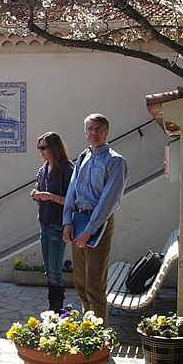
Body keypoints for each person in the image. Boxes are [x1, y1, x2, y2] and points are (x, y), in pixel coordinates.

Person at [63, 113, 128, 323]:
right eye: (90, 129)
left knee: (95, 284)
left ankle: (99, 336)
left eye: (99, 129)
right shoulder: (83, 157)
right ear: (85, 133)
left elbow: (108, 201)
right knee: (80, 281)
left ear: (106, 132)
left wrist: (89, 230)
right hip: (77, 220)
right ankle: (87, 326)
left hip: (98, 224)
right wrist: (67, 222)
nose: (94, 133)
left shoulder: (115, 161)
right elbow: (72, 190)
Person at [30, 132, 74, 313]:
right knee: (48, 270)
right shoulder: (43, 169)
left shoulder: (67, 169)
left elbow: (72, 200)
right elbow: (40, 192)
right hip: (45, 224)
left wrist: (49, 197)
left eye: (43, 147)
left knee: (55, 271)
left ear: (54, 148)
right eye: (39, 147)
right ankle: (54, 309)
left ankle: (57, 311)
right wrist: (37, 196)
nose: (40, 151)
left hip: (58, 225)